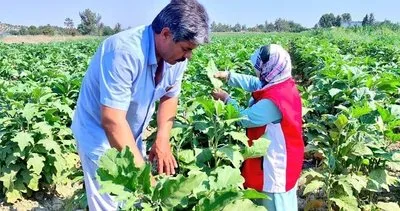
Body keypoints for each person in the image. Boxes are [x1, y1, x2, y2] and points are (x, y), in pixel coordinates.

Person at [71, 0, 209, 209]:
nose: (189, 55)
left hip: (131, 131)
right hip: (98, 134)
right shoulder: (123, 51)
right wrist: (145, 177)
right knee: (109, 200)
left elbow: (170, 96)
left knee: (134, 197)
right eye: (186, 48)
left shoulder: (176, 59)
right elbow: (112, 121)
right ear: (165, 34)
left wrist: (163, 138)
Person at [211, 44, 304, 211]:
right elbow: (256, 83)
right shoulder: (281, 82)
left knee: (274, 203)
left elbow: (245, 118)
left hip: (275, 163)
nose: (257, 71)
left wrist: (226, 99)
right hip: (287, 153)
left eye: (259, 67)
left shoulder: (274, 101)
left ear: (269, 69)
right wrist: (229, 76)